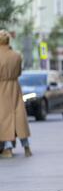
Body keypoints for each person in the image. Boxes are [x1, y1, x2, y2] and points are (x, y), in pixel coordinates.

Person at [0, 30, 32, 158]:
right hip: (14, 87)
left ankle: (8, 148)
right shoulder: (17, 55)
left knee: (4, 118)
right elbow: (19, 72)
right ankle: (26, 146)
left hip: (1, 88)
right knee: (19, 117)